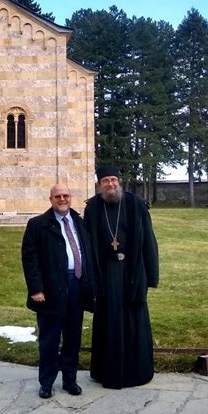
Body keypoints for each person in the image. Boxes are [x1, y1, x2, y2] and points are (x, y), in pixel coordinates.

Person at [84, 165, 159, 389]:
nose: (110, 184)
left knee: (133, 320)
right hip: (105, 273)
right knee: (108, 320)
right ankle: (106, 371)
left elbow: (149, 242)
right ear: (100, 185)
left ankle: (137, 372)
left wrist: (152, 276)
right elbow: (87, 246)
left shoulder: (136, 205)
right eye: (105, 181)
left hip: (131, 272)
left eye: (113, 180)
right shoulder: (93, 208)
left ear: (120, 182)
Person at [21, 183, 96, 398]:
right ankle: (46, 382)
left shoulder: (79, 222)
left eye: (66, 195)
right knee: (50, 339)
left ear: (70, 198)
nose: (62, 199)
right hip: (51, 290)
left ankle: (70, 380)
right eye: (58, 196)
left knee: (73, 338)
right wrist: (36, 289)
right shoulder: (38, 224)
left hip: (77, 286)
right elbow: (30, 259)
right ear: (50, 199)